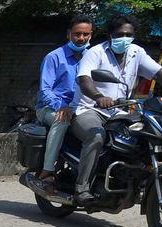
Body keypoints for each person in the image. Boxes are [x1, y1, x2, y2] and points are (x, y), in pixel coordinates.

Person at [71, 14, 162, 203]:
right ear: (110, 36)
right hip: (90, 109)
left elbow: (158, 73)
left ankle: (135, 178)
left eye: (128, 34)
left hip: (120, 111)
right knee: (96, 136)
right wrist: (99, 97)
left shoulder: (136, 52)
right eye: (119, 34)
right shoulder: (95, 53)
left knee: (146, 135)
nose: (124, 38)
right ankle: (82, 188)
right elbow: (84, 80)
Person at [35, 14, 94, 190]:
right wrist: (61, 106)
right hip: (50, 107)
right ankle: (47, 171)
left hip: (82, 107)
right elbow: (45, 90)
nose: (81, 38)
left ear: (91, 35)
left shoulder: (93, 57)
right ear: (68, 34)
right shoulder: (54, 57)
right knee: (62, 120)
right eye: (77, 34)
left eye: (85, 34)